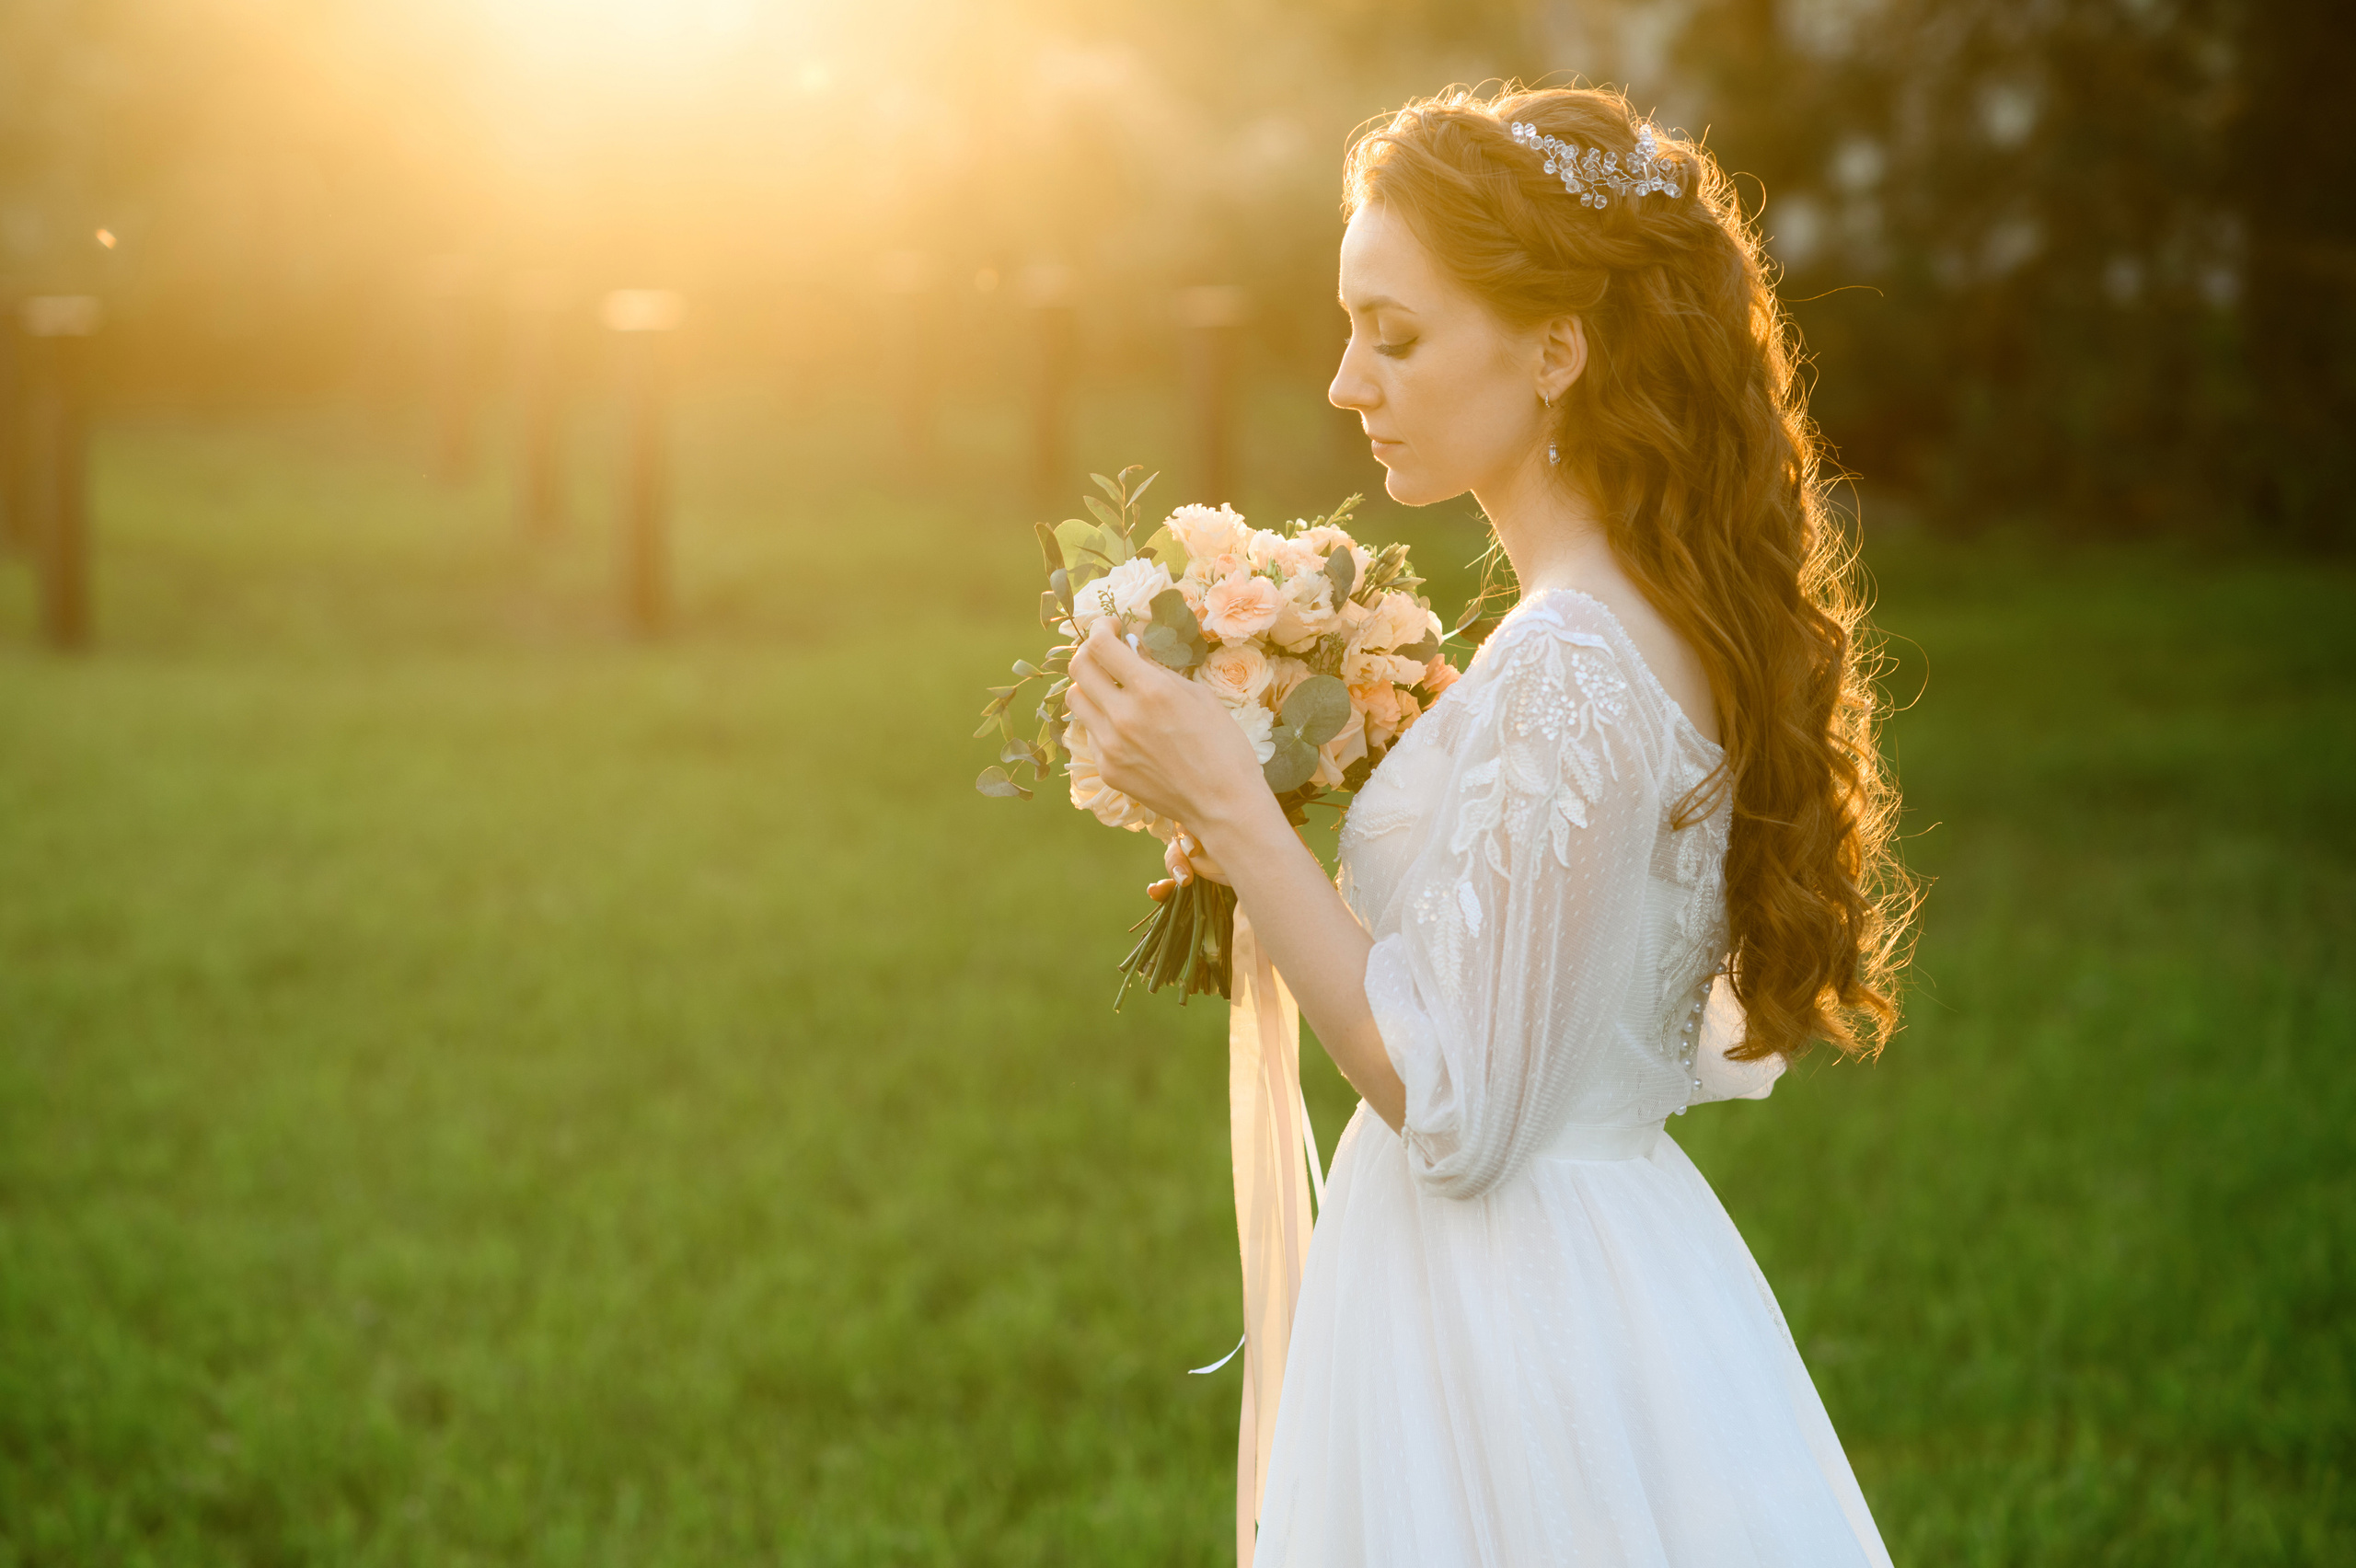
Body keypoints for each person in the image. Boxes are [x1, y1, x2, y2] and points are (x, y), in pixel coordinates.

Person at [1064, 82, 1913, 1565]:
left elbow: (1450, 1105)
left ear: (1554, 351)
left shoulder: (1574, 658)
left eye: (1393, 334)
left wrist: (1229, 804)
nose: (1344, 380)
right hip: (1591, 1266)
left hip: (1510, 1321)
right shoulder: (1608, 627)